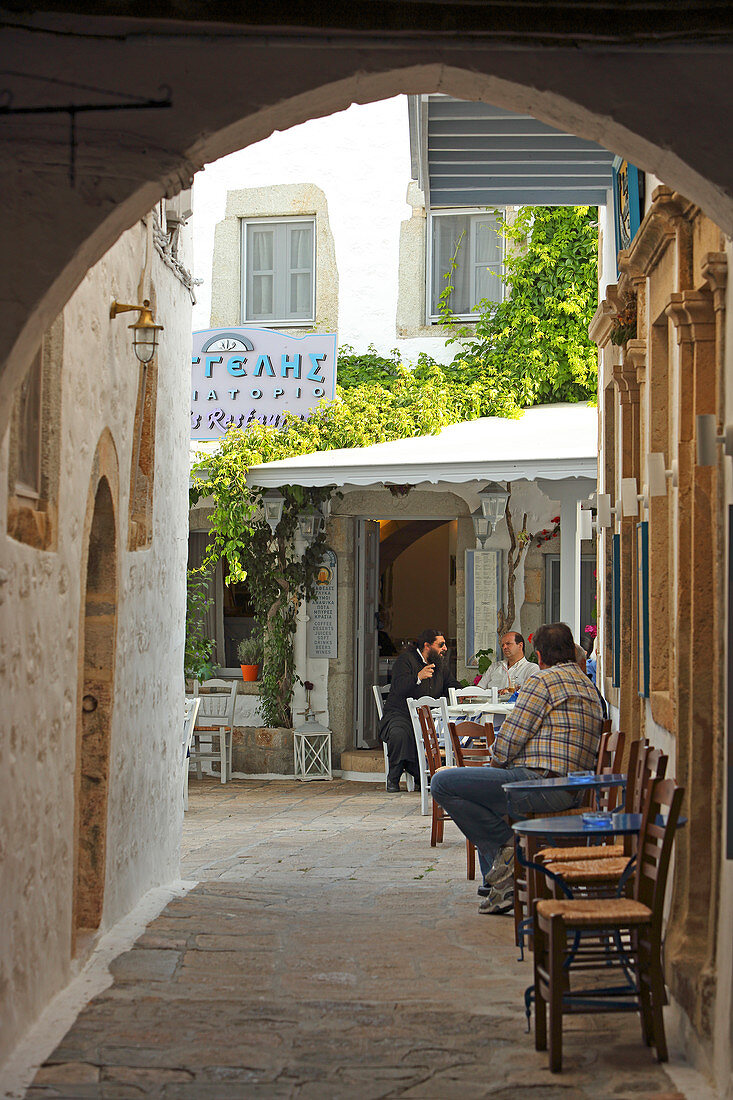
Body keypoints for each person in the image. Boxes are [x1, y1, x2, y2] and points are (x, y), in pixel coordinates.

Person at [430, 622, 604, 914]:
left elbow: (507, 742)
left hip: (541, 786)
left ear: (539, 655)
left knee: (444, 783)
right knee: (488, 796)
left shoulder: (543, 681)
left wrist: (497, 764)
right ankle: (497, 883)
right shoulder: (588, 685)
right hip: (574, 788)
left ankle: (507, 854)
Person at [379, 628, 462, 792]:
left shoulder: (440, 664)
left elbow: (451, 685)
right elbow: (398, 687)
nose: (445, 648)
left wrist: (465, 693)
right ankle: (393, 778)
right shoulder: (406, 660)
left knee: (443, 733)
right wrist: (418, 677)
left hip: (428, 718)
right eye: (441, 645)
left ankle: (422, 777)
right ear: (427, 646)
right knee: (399, 734)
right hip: (400, 714)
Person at [477, 631, 540, 696]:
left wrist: (510, 691)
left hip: (515, 706)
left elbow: (532, 693)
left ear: (520, 645)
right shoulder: (494, 666)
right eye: (502, 645)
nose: (504, 647)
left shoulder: (531, 668)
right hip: (489, 705)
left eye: (508, 643)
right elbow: (479, 689)